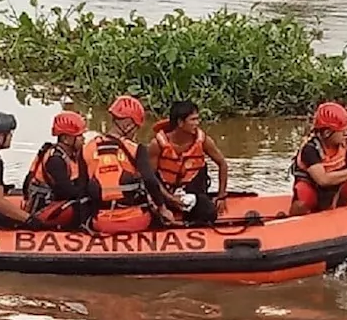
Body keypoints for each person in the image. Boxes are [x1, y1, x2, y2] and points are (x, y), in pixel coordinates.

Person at [82, 95, 183, 234]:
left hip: (101, 222)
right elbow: (150, 180)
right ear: (128, 124)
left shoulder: (87, 148)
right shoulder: (136, 149)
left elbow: (82, 189)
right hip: (136, 220)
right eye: (136, 127)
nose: (135, 132)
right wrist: (162, 208)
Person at [288, 101, 347, 216]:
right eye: (342, 131)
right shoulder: (310, 149)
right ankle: (294, 220)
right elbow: (323, 180)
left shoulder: (346, 140)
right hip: (313, 185)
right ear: (327, 132)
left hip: (339, 182)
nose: (346, 134)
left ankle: (343, 215)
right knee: (303, 200)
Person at [146, 100, 230, 225]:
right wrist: (171, 199)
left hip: (193, 192)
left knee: (209, 213)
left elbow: (222, 164)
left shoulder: (203, 141)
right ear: (180, 122)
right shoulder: (157, 144)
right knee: (151, 217)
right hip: (165, 193)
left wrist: (221, 195)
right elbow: (150, 178)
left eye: (197, 119)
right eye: (193, 120)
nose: (197, 123)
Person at [20, 110, 90, 229]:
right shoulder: (55, 160)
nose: (83, 139)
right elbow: (67, 191)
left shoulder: (72, 155)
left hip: (56, 201)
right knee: (84, 204)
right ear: (66, 139)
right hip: (44, 208)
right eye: (79, 136)